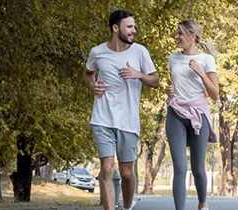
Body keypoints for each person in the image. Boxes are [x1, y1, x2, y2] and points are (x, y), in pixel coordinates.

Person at [82, 10, 159, 210]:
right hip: (102, 118)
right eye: (130, 27)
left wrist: (138, 74)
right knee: (107, 168)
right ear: (116, 28)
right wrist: (92, 86)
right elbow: (88, 74)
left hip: (128, 120)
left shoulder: (140, 52)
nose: (134, 30)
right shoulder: (97, 52)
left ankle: (126, 207)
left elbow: (155, 81)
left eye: (134, 26)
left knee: (126, 173)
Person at [164, 20, 219, 210]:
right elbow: (175, 86)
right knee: (179, 167)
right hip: (176, 112)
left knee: (198, 169)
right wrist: (169, 89)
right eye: (176, 33)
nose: (176, 37)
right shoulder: (172, 58)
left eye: (180, 34)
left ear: (192, 37)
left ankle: (202, 204)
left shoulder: (206, 59)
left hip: (198, 114)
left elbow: (214, 94)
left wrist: (202, 74)